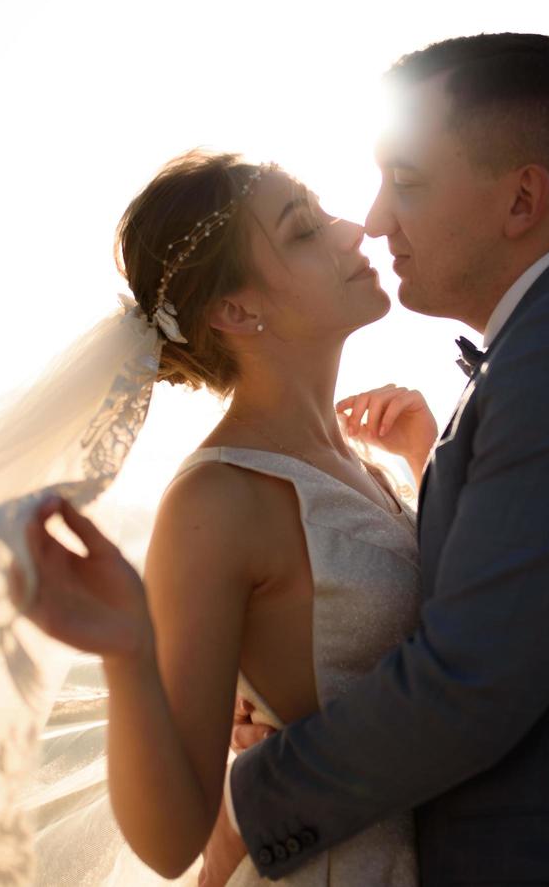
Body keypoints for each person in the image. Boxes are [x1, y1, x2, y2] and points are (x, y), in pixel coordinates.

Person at [30, 33, 549, 887]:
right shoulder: (241, 489)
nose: (372, 220)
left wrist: (257, 796)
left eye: (407, 183)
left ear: (521, 199)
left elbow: (473, 676)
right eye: (310, 226)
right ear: (237, 310)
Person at [24, 148, 435, 885]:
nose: (351, 231)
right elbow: (172, 840)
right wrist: (127, 653)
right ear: (235, 310)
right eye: (304, 231)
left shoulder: (367, 465)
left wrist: (424, 461)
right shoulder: (217, 500)